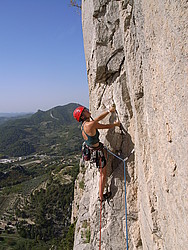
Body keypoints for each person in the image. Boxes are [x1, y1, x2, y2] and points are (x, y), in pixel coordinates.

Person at [73, 105, 120, 202]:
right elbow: (104, 125)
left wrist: (109, 112)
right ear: (82, 116)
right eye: (85, 110)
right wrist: (115, 124)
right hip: (98, 152)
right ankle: (101, 197)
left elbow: (98, 120)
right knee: (103, 174)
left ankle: (101, 194)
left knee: (102, 172)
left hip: (91, 150)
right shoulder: (90, 125)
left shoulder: (84, 125)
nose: (87, 110)